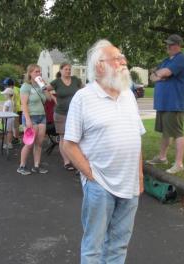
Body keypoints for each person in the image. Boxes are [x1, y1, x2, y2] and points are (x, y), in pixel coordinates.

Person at [63, 39, 145, 263]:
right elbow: (68, 144)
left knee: (119, 245)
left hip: (130, 185)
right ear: (100, 66)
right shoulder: (83, 98)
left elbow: (136, 137)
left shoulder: (128, 95)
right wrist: (91, 176)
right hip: (100, 185)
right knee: (94, 247)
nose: (123, 62)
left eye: (122, 58)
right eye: (117, 59)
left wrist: (139, 175)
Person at [147, 34, 184, 174]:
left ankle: (179, 163)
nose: (168, 47)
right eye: (167, 44)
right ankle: (162, 157)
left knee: (177, 133)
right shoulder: (166, 60)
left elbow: (165, 72)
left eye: (171, 44)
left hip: (174, 103)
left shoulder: (181, 59)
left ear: (178, 45)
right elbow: (152, 77)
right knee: (165, 133)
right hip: (163, 103)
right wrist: (160, 75)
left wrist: (161, 74)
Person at [47, 62, 84, 171]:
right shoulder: (57, 82)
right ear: (61, 70)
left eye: (69, 69)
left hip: (75, 113)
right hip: (61, 114)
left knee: (76, 137)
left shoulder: (76, 80)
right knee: (63, 137)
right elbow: (45, 89)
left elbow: (84, 89)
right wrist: (53, 99)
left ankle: (76, 160)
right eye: (66, 69)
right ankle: (66, 161)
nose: (68, 71)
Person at [16, 64, 52, 175]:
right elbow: (24, 105)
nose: (39, 74)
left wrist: (44, 87)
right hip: (31, 117)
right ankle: (22, 166)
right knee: (29, 143)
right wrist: (27, 120)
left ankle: (36, 165)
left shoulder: (40, 86)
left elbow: (49, 99)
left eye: (40, 72)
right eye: (36, 72)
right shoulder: (26, 86)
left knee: (39, 143)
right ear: (30, 73)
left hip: (41, 116)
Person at [3, 77, 21, 145]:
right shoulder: (17, 88)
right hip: (18, 108)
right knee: (15, 125)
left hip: (16, 110)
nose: (5, 87)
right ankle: (16, 137)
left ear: (10, 85)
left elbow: (11, 101)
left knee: (15, 125)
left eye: (6, 85)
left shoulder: (12, 91)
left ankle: (16, 138)